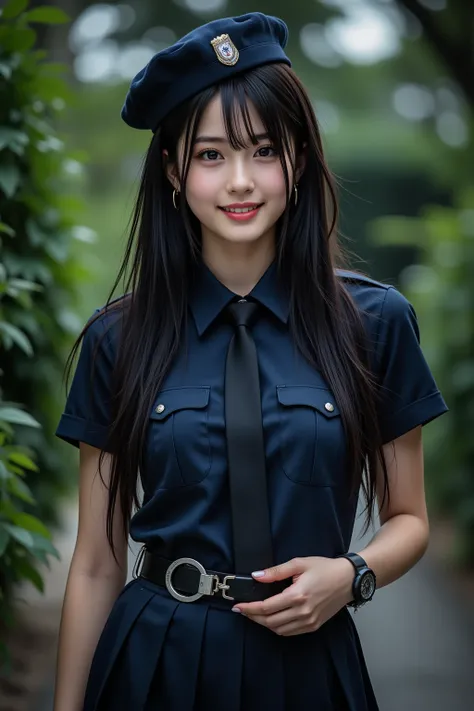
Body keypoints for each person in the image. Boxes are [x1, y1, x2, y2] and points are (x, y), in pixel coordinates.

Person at [53, 12, 448, 711]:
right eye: (210, 155)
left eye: (263, 150)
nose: (239, 180)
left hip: (311, 662)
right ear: (173, 170)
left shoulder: (374, 323)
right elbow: (93, 563)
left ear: (297, 159)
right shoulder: (120, 338)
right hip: (155, 665)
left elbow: (410, 517)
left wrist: (351, 575)